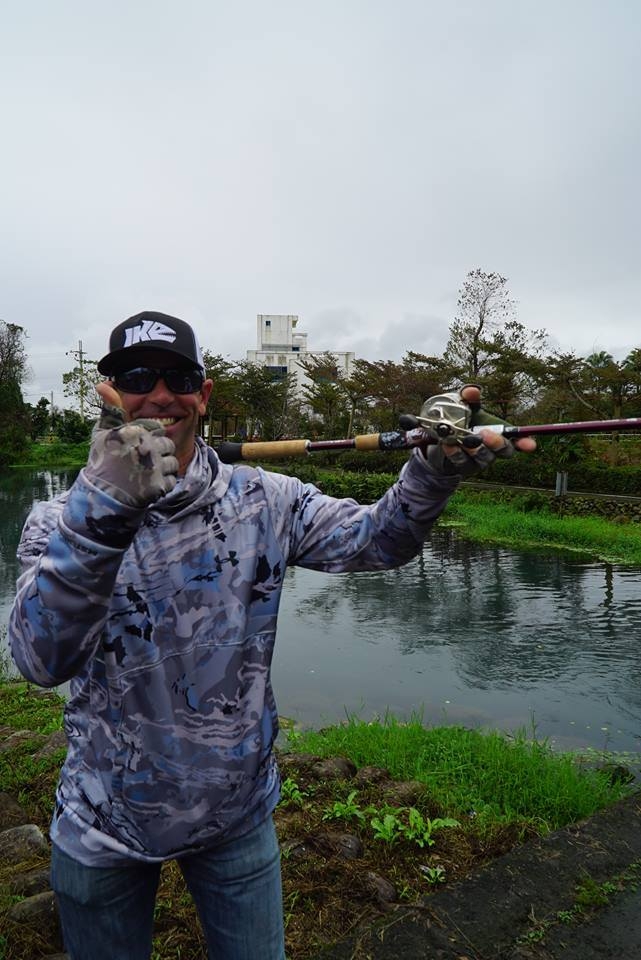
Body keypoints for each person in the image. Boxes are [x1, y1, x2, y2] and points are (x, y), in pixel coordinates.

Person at [9, 311, 535, 960]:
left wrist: (432, 470)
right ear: (110, 392)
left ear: (203, 396)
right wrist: (103, 512)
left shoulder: (266, 500)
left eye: (180, 377)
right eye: (138, 375)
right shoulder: (59, 519)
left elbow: (379, 541)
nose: (161, 392)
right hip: (101, 826)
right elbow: (39, 661)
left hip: (238, 821)